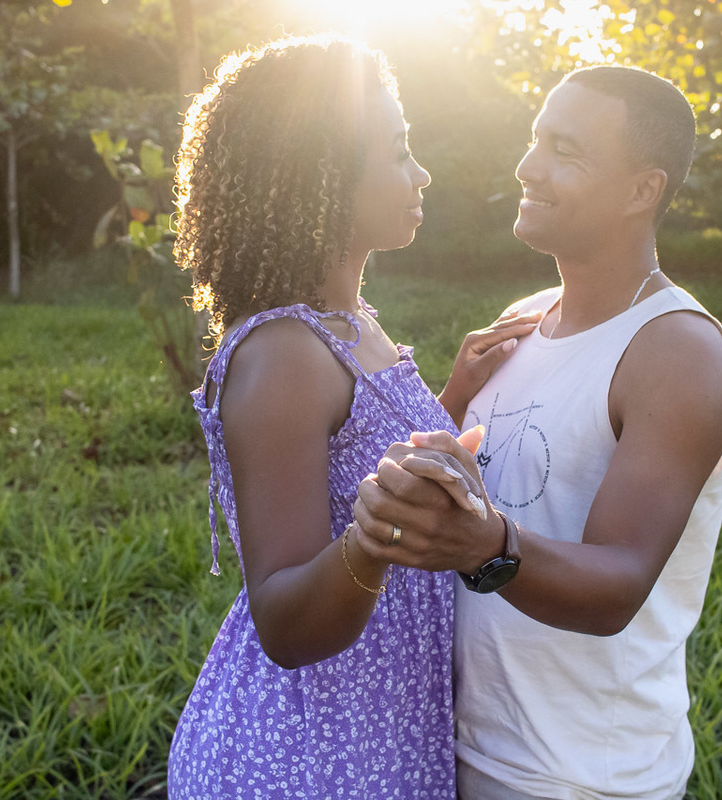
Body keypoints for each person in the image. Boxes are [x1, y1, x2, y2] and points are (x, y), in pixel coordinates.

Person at [351, 65, 722, 799]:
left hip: (576, 775)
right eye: (536, 140)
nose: (528, 167)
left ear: (641, 191)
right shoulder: (526, 319)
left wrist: (487, 547)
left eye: (566, 151)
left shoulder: (675, 353)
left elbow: (616, 585)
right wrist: (451, 400)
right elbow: (483, 488)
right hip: (463, 742)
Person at [165, 35, 539, 799]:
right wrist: (374, 543)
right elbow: (285, 624)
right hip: (307, 758)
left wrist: (452, 397)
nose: (421, 172)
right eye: (398, 150)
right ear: (321, 176)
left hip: (375, 728)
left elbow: (354, 464)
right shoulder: (283, 357)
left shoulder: (347, 323)